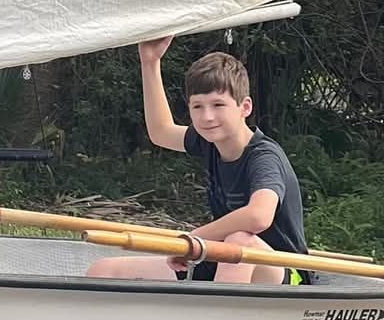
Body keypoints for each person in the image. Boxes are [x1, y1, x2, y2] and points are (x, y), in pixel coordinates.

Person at [87, 36, 311, 286]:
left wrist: (192, 239)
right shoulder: (209, 142)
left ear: (244, 107)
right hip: (222, 256)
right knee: (104, 270)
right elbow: (161, 131)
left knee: (239, 240)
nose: (207, 116)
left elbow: (258, 216)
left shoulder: (263, 156)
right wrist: (150, 63)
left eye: (218, 105)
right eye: (197, 107)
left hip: (286, 273)